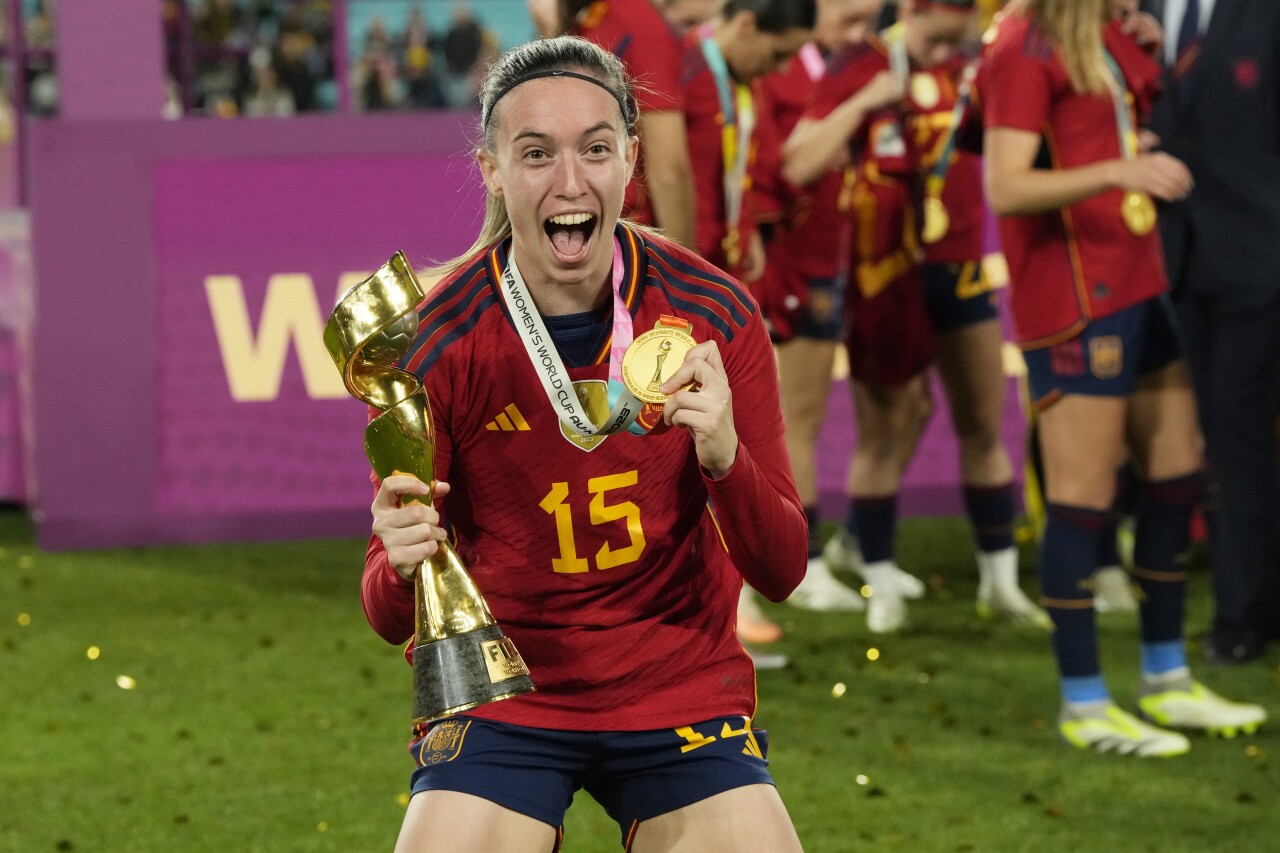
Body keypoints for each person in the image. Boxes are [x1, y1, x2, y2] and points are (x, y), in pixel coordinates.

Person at [362, 35, 807, 851]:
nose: (570, 182)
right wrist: (397, 560)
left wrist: (724, 460)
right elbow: (391, 615)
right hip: (507, 697)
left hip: (677, 687)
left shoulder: (714, 314)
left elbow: (781, 572)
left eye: (596, 149)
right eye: (536, 154)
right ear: (492, 168)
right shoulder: (436, 343)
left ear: (630, 159)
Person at [979, 0, 1265, 755]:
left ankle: (1166, 677)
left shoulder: (1101, 34)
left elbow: (1119, 119)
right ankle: (1085, 700)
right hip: (1074, 300)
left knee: (1177, 478)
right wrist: (1118, 168)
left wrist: (1142, 68)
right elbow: (1005, 185)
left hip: (1138, 280)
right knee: (1083, 498)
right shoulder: (1020, 44)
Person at [784, 0, 1046, 632]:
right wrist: (866, 102)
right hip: (884, 275)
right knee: (884, 428)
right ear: (910, 11)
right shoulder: (860, 67)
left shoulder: (980, 65)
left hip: (958, 266)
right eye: (935, 36)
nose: (944, 51)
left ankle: (1001, 583)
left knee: (985, 424)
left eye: (958, 37)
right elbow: (797, 163)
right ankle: (882, 586)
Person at [1138, 0, 1280, 664]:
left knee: (1238, 434)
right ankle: (1245, 601)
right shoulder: (1137, 13)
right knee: (1206, 438)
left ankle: (1243, 614)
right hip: (1176, 255)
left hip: (1258, 254)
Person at [750, 0, 887, 613]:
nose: (858, 36)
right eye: (850, 19)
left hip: (820, 258)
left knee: (803, 417)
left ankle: (794, 559)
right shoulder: (787, 69)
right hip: (791, 265)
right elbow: (783, 165)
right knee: (794, 420)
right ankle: (795, 566)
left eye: (868, 24)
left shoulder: (810, 66)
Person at [529, 0, 700, 249]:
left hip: (604, 233)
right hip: (625, 239)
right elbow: (670, 173)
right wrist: (685, 272)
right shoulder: (636, 24)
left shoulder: (603, 20)